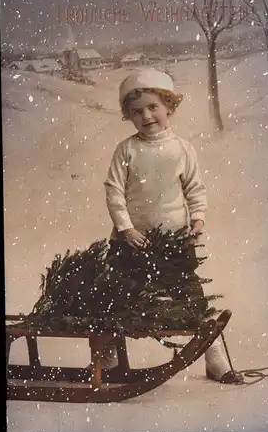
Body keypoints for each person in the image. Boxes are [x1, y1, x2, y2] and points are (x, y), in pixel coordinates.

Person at [102, 68, 241, 383]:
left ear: (169, 106)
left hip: (173, 242)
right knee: (116, 296)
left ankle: (215, 357)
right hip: (132, 242)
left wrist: (198, 218)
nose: (146, 116)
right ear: (129, 116)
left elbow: (195, 188)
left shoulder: (181, 148)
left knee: (191, 298)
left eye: (153, 107)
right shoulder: (126, 150)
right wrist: (126, 229)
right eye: (136, 112)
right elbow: (114, 191)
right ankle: (108, 358)